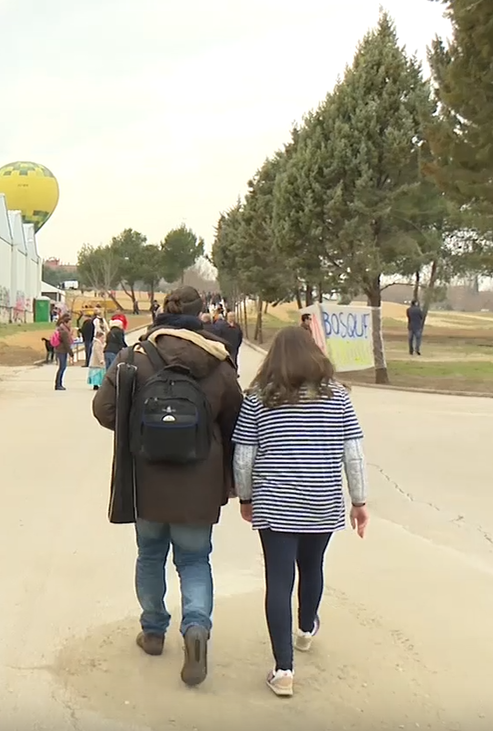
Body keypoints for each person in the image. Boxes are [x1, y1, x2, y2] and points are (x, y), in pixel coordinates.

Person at [91, 286, 244, 688]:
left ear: (162, 313)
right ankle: (195, 629)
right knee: (194, 561)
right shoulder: (218, 362)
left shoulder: (136, 356)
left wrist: (137, 426)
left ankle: (154, 630)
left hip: (147, 481)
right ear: (201, 315)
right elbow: (238, 422)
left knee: (150, 555)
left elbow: (103, 409)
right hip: (199, 483)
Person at [232, 326, 369, 698]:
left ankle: (283, 670)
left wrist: (245, 497)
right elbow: (353, 454)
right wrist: (359, 501)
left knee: (278, 581)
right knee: (312, 567)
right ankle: (306, 628)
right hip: (322, 502)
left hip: (275, 503)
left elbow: (244, 455)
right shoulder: (338, 398)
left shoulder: (258, 398)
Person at [53, 315, 73, 391]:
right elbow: (66, 343)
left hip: (60, 350)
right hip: (61, 350)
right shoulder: (64, 331)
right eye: (70, 323)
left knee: (62, 367)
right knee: (62, 367)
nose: (70, 324)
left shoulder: (62, 329)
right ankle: (58, 384)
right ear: (65, 323)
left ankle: (59, 383)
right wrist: (71, 352)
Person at [87, 317, 107, 390]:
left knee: (98, 373)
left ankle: (97, 384)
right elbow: (98, 352)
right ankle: (96, 384)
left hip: (97, 362)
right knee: (97, 373)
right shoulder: (97, 344)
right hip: (97, 362)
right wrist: (101, 359)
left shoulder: (99, 343)